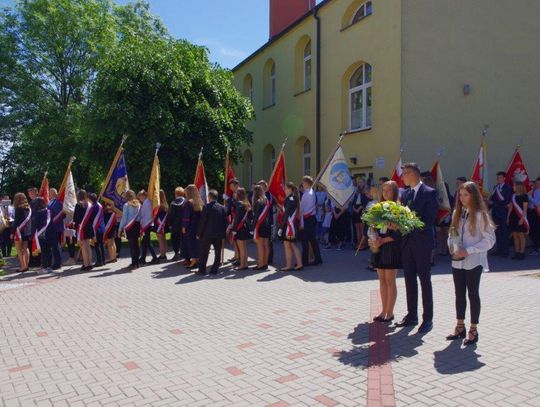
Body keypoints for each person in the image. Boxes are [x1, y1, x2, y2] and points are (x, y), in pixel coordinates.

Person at [446, 181, 495, 345]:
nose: (462, 198)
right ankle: (460, 326)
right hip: (457, 261)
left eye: (466, 195)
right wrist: (452, 247)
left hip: (473, 260)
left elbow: (489, 240)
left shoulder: (481, 215)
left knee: (472, 294)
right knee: (458, 293)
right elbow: (451, 234)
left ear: (473, 195)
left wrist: (469, 250)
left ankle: (474, 329)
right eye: (460, 195)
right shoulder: (457, 214)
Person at [395, 163, 439, 333]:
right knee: (409, 280)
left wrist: (409, 222)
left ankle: (427, 319)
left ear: (413, 174)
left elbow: (429, 219)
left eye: (405, 173)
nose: (403, 177)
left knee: (424, 280)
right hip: (407, 243)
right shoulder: (404, 193)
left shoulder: (429, 192)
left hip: (422, 243)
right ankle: (411, 315)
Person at [370, 181, 402, 323]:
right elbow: (374, 228)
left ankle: (390, 312)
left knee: (390, 280)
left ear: (394, 192)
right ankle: (383, 310)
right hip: (379, 246)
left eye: (389, 190)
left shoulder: (399, 208)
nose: (386, 193)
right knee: (382, 280)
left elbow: (400, 232)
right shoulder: (379, 208)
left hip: (391, 246)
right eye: (384, 190)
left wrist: (383, 240)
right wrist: (374, 237)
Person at [197, 189, 227, 275]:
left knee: (204, 252)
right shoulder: (222, 208)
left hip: (207, 234)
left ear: (209, 197)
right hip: (219, 234)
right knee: (218, 253)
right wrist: (224, 234)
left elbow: (202, 222)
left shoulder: (206, 207)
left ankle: (202, 270)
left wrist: (199, 233)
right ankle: (214, 270)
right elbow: (225, 222)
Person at [278, 182, 303, 271]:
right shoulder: (292, 198)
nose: (284, 190)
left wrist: (281, 227)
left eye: (286, 188)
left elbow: (286, 214)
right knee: (292, 245)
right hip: (291, 225)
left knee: (288, 245)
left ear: (290, 189)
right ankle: (299, 264)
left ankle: (289, 265)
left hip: (289, 226)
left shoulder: (290, 199)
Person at [300, 176, 323, 266]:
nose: (302, 184)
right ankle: (318, 258)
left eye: (303, 182)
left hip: (307, 218)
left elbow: (301, 208)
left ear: (306, 183)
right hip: (311, 218)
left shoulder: (306, 194)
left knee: (305, 241)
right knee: (313, 240)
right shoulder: (312, 192)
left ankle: (304, 261)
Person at [488, 171, 512, 257]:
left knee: (504, 233)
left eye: (500, 177)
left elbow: (505, 201)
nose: (498, 179)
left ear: (504, 178)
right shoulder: (496, 187)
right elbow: (493, 198)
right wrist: (489, 202)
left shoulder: (508, 187)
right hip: (495, 212)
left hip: (503, 213)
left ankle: (505, 252)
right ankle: (499, 250)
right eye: (497, 178)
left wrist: (493, 203)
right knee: (497, 232)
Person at [118, 190, 141, 270]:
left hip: (130, 226)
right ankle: (137, 263)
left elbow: (124, 218)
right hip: (137, 225)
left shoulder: (126, 205)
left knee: (132, 246)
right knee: (136, 245)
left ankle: (133, 263)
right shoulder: (138, 204)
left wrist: (120, 228)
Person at [183, 184, 204, 269]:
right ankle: (198, 260)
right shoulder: (200, 202)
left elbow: (186, 217)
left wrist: (184, 227)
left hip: (191, 227)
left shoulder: (189, 203)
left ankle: (194, 261)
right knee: (197, 243)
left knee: (191, 243)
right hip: (199, 227)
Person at [231, 187, 252, 271]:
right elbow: (250, 216)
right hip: (245, 227)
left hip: (240, 228)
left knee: (241, 248)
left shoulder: (238, 204)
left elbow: (237, 218)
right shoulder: (247, 203)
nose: (234, 194)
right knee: (245, 248)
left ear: (238, 194)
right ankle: (245, 264)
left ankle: (242, 265)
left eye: (236, 193)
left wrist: (234, 230)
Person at [73, 189, 94, 271]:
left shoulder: (78, 205)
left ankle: (86, 264)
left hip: (82, 227)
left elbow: (76, 218)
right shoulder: (89, 204)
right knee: (88, 245)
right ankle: (90, 263)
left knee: (83, 246)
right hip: (89, 227)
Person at [507, 181, 529, 260]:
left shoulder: (524, 196)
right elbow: (511, 207)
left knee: (521, 235)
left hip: (520, 217)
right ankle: (517, 252)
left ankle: (521, 252)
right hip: (513, 217)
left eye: (514, 186)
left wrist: (522, 219)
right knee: (515, 235)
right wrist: (508, 217)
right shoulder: (513, 196)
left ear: (519, 187)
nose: (513, 187)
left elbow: (525, 209)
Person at [252, 185, 271, 270]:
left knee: (260, 245)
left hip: (260, 225)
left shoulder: (258, 202)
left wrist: (253, 228)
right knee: (266, 245)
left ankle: (260, 264)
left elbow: (256, 216)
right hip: (267, 225)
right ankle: (265, 263)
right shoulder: (266, 200)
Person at [30, 197, 52, 274]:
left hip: (40, 234)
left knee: (44, 251)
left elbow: (34, 225)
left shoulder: (37, 212)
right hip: (49, 233)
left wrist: (32, 234)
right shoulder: (48, 211)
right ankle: (49, 266)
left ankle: (45, 267)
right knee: (48, 250)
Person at [12, 192, 32, 272]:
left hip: (19, 231)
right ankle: (26, 265)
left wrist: (12, 232)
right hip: (27, 231)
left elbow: (16, 222)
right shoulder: (28, 208)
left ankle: (23, 266)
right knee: (26, 248)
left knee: (19, 250)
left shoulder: (18, 209)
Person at [138, 190, 158, 265]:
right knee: (145, 242)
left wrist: (142, 223)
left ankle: (155, 258)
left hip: (147, 224)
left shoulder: (146, 203)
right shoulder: (147, 202)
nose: (139, 199)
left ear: (143, 196)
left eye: (140, 197)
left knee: (147, 242)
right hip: (147, 224)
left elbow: (145, 214)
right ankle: (143, 258)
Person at [257, 180, 275, 265]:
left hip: (268, 221)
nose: (260, 188)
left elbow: (270, 205)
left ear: (265, 186)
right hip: (262, 222)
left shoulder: (269, 196)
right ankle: (263, 259)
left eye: (262, 186)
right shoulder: (262, 195)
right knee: (264, 243)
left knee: (267, 242)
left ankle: (268, 260)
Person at [45, 188, 64, 271]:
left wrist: (52, 222)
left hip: (56, 227)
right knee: (55, 246)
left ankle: (58, 263)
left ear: (55, 193)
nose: (49, 194)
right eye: (49, 192)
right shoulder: (51, 202)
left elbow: (58, 215)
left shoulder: (57, 202)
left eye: (51, 192)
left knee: (56, 246)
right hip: (52, 227)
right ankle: (57, 262)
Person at [168, 187, 186, 261]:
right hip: (184, 224)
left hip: (175, 225)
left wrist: (170, 224)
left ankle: (176, 253)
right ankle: (184, 254)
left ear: (176, 194)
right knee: (183, 239)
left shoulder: (173, 203)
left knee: (175, 239)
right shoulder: (186, 202)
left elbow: (171, 215)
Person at [225, 178, 240, 265]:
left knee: (237, 239)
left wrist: (228, 199)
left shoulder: (240, 193)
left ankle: (239, 257)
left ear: (236, 185)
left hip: (237, 219)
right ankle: (236, 255)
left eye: (231, 186)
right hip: (232, 217)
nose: (230, 188)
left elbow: (237, 204)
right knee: (234, 239)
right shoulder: (233, 193)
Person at [352, 178, 369, 250]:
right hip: (355, 211)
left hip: (361, 210)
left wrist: (359, 209)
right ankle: (358, 243)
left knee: (362, 229)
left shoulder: (365, 191)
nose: (360, 183)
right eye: (359, 182)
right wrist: (354, 208)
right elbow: (353, 201)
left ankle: (363, 244)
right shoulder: (356, 191)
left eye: (361, 182)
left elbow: (366, 201)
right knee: (357, 228)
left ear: (364, 183)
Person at [89, 193, 105, 267]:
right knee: (101, 245)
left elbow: (93, 218)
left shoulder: (94, 207)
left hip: (97, 228)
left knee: (97, 245)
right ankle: (103, 260)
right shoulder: (99, 205)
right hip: (101, 227)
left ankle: (99, 261)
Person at [154, 190, 169, 260]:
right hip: (163, 225)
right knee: (164, 239)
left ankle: (162, 255)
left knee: (160, 240)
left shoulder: (158, 205)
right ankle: (164, 254)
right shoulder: (165, 205)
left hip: (159, 224)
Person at [529, 177, 540, 254]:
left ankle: (537, 247)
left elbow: (537, 203)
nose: (536, 184)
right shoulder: (534, 191)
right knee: (532, 230)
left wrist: (530, 197)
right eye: (536, 183)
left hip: (537, 212)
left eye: (538, 183)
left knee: (537, 230)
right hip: (531, 212)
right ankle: (536, 245)